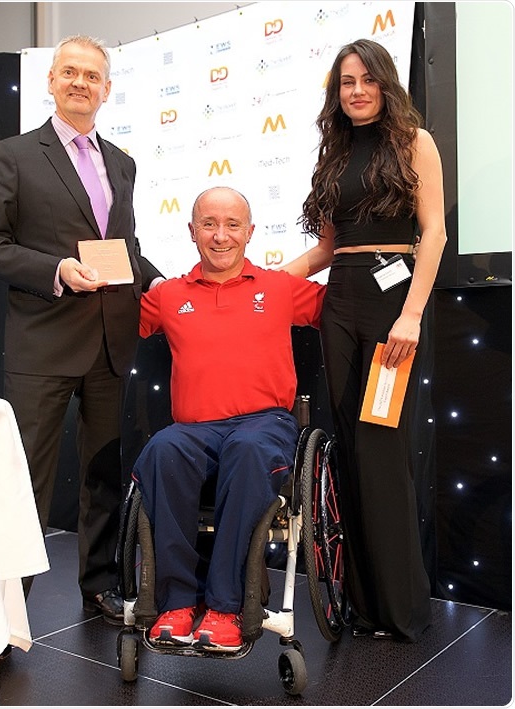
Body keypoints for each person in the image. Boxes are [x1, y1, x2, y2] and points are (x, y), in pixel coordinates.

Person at [0, 35, 163, 624]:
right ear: (51, 80)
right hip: (44, 345)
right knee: (26, 480)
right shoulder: (13, 154)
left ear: (107, 89)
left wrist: (166, 286)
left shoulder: (122, 162)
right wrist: (55, 269)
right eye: (70, 72)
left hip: (110, 343)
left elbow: (124, 248)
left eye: (92, 76)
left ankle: (99, 585)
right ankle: (5, 610)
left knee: (103, 473)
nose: (81, 83)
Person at [281, 39, 447, 643]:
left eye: (366, 79)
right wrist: (266, 282)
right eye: (346, 82)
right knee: (349, 448)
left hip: (391, 304)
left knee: (380, 445)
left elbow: (434, 232)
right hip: (342, 302)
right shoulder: (335, 153)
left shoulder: (414, 142)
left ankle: (400, 609)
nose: (356, 90)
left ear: (385, 82)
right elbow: (328, 249)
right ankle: (363, 604)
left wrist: (411, 315)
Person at [131, 186, 325, 651]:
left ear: (250, 232)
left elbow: (346, 311)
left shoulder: (278, 287)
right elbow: (109, 324)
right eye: (209, 224)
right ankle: (177, 602)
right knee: (160, 449)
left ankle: (225, 605)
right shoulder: (168, 295)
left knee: (247, 448)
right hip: (193, 430)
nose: (221, 236)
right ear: (192, 231)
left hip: (263, 424)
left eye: (232, 225)